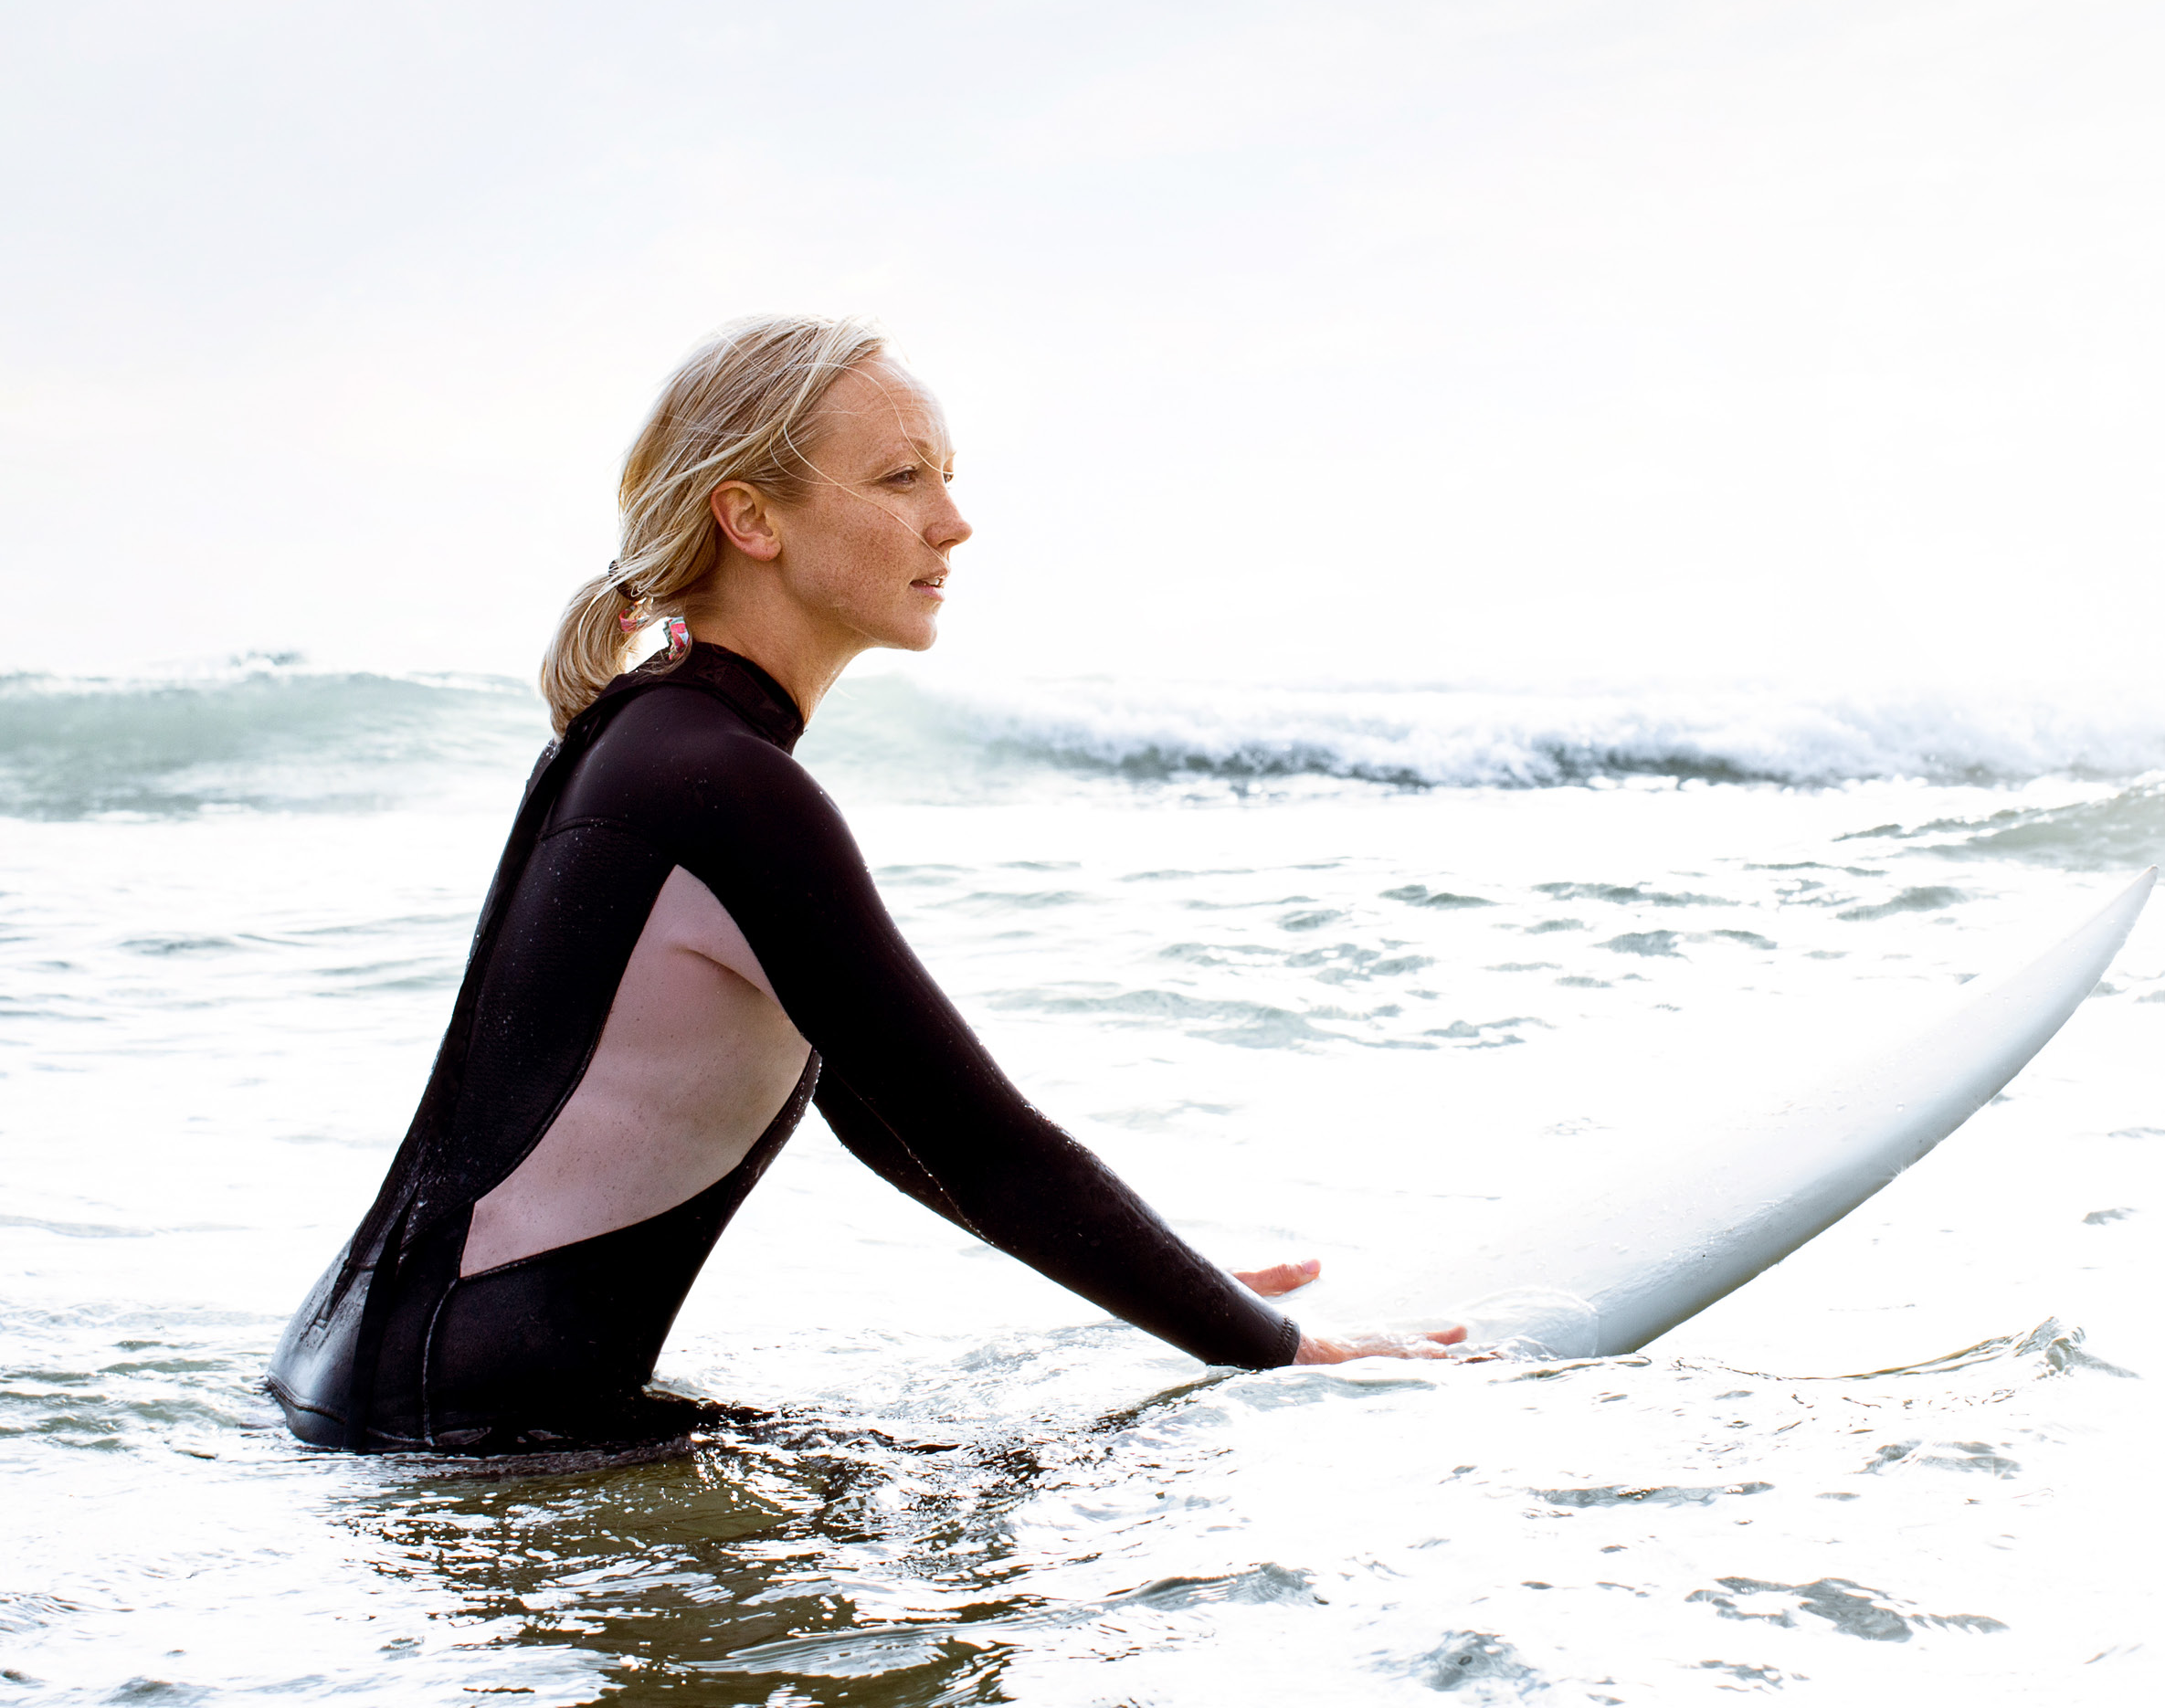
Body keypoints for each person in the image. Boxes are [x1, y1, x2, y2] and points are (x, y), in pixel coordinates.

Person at [269, 315, 1458, 1454]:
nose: (953, 524)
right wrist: (1281, 1353)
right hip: (467, 1428)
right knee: (1075, 1522)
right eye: (901, 480)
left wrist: (1185, 1294)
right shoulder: (714, 780)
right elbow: (980, 1143)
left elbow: (889, 1122)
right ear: (750, 518)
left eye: (946, 477)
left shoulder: (655, 745)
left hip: (384, 1389)